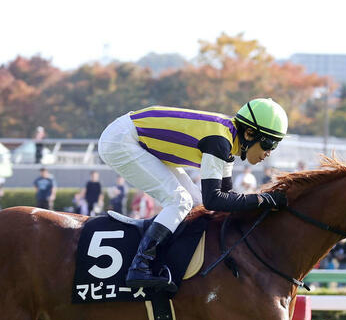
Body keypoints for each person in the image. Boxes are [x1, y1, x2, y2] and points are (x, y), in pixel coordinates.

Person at [98, 99, 288, 290]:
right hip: (121, 140)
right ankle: (140, 266)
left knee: (195, 203)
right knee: (180, 201)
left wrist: (261, 203)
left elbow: (225, 197)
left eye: (275, 145)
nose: (270, 152)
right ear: (249, 133)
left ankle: (168, 258)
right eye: (269, 143)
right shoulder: (220, 141)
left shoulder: (229, 143)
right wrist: (262, 200)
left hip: (139, 139)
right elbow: (214, 199)